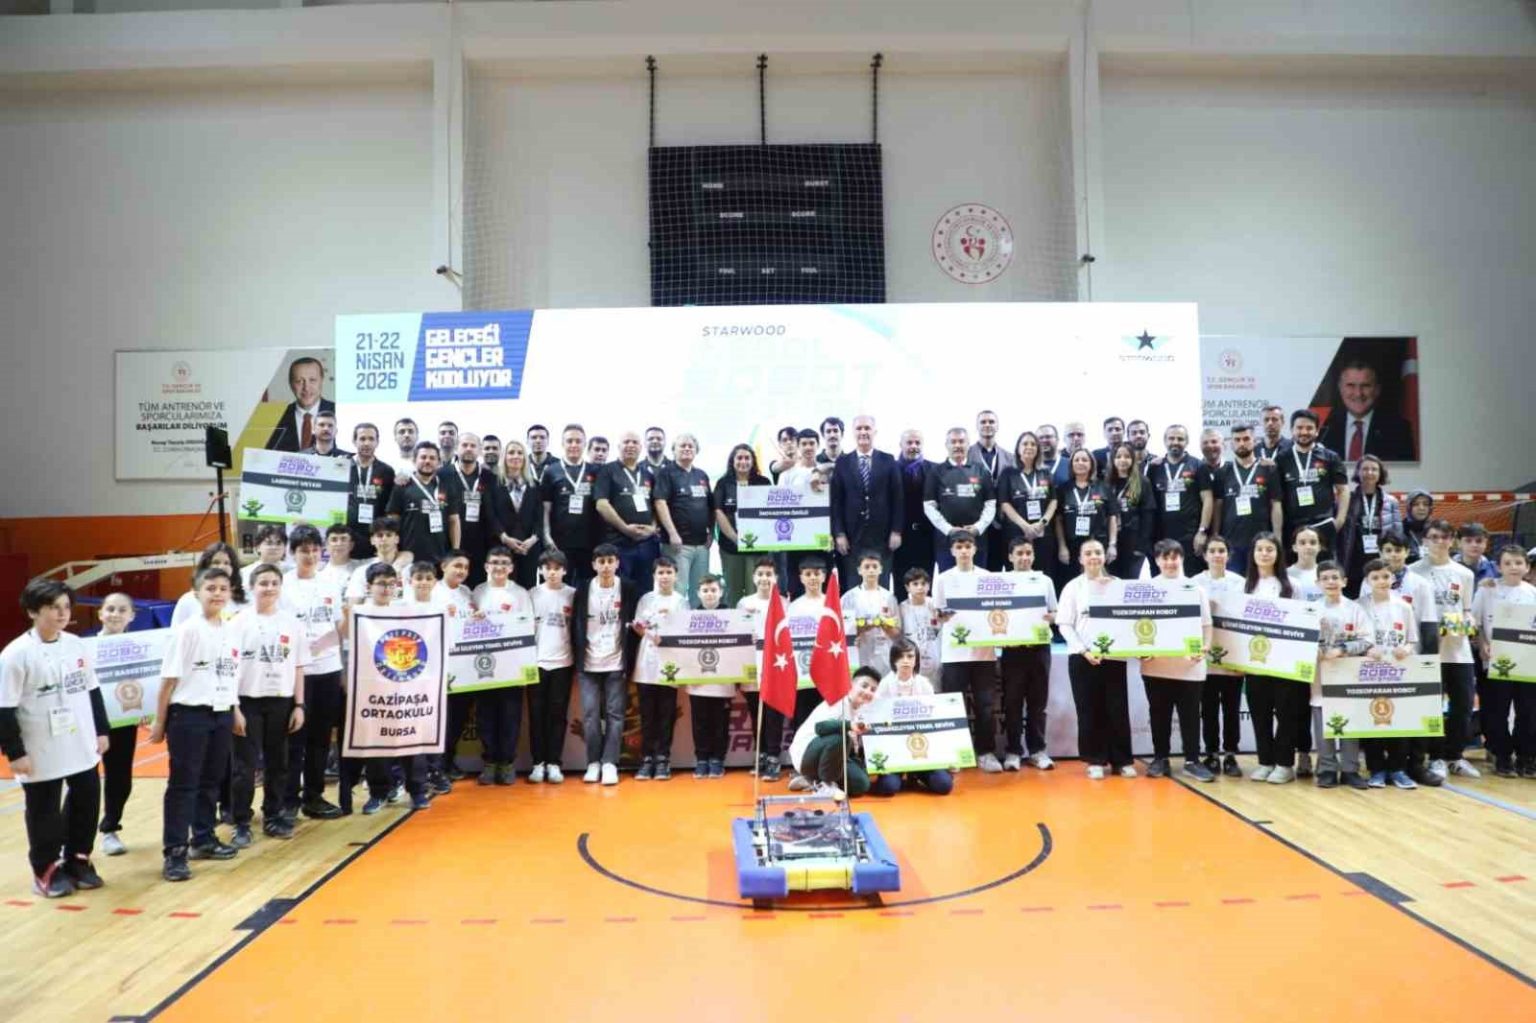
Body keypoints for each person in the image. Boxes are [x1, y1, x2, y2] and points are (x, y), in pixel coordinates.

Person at [2, 580, 109, 898]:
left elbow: (92, 690)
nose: (62, 613)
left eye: (66, 607)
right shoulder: (15, 655)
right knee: (44, 809)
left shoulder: (76, 645)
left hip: (79, 741)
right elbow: (4, 709)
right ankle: (45, 869)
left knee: (87, 798)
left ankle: (78, 859)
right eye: (53, 607)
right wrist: (15, 752)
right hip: (40, 746)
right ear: (33, 612)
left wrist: (101, 729)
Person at [152, 566, 243, 882]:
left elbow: (230, 675)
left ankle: (203, 839)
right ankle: (174, 852)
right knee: (183, 785)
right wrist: (159, 722)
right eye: (211, 588)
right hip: (188, 716)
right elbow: (168, 681)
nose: (217, 593)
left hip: (221, 713)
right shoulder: (187, 631)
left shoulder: (232, 630)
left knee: (211, 781)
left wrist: (235, 711)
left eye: (223, 588)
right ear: (196, 593)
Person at [230, 564, 306, 844]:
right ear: (252, 587)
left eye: (274, 583)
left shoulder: (292, 623)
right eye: (263, 583)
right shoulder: (237, 623)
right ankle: (241, 822)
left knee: (278, 763)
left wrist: (299, 705)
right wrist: (234, 707)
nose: (269, 588)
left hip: (281, 702)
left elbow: (298, 666)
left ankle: (273, 816)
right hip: (247, 701)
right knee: (245, 767)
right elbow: (228, 669)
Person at [280, 525, 348, 821]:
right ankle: (288, 800)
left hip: (328, 669)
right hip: (296, 673)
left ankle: (314, 796)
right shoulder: (283, 585)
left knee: (320, 737)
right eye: (303, 550)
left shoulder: (330, 583)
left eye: (314, 550)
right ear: (292, 553)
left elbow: (340, 626)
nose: (309, 555)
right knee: (294, 738)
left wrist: (326, 646)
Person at [354, 563, 432, 813]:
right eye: (381, 584)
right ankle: (379, 792)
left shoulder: (406, 612)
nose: (386, 589)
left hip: (406, 688)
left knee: (412, 739)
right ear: (369, 586)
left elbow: (428, 636)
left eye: (391, 584)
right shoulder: (360, 614)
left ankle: (417, 791)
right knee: (376, 743)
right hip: (374, 690)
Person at [1139, 540, 1216, 782]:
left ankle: (1192, 760)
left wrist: (1204, 648)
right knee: (1159, 715)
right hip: (1155, 666)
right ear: (1157, 560)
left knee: (1190, 716)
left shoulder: (1195, 589)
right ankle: (1160, 758)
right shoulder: (1146, 589)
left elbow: (1207, 625)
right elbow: (1137, 625)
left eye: (1175, 557)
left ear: (1182, 559)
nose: (1170, 562)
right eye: (1165, 557)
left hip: (1190, 666)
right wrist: (1140, 650)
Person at [1057, 538, 1134, 780]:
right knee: (1089, 709)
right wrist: (1083, 650)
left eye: (1098, 552)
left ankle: (1122, 761)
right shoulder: (1073, 587)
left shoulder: (1118, 585)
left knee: (1117, 708)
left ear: (1105, 556)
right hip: (1083, 658)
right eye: (1088, 553)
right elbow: (1064, 624)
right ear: (1080, 559)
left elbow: (1128, 620)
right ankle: (1095, 760)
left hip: (1114, 656)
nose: (1093, 557)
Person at [1409, 519, 1479, 781]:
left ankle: (1455, 756)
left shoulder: (1464, 574)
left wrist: (1468, 622)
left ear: (1452, 541)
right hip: (1427, 652)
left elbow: (1467, 609)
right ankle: (1436, 757)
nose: (1439, 542)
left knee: (1463, 706)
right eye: (1434, 537)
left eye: (1445, 537)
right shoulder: (1413, 572)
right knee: (1432, 707)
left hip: (1459, 651)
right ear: (1425, 540)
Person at [933, 531, 1004, 773]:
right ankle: (954, 753)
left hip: (983, 653)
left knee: (986, 705)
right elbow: (938, 614)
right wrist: (941, 616)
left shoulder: (988, 577)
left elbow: (997, 610)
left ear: (975, 549)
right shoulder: (943, 579)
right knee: (953, 705)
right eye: (959, 547)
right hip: (954, 653)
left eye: (967, 546)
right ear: (952, 551)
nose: (964, 551)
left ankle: (986, 752)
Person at [1380, 529, 1445, 788]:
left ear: (1407, 552)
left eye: (1398, 550)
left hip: (1413, 658)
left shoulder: (1420, 584)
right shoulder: (1370, 580)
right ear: (1381, 552)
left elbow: (1428, 624)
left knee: (1416, 712)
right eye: (1388, 550)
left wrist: (1428, 662)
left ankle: (1416, 764)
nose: (1393, 555)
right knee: (1385, 713)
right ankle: (1388, 765)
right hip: (1382, 661)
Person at [572, 544, 639, 786]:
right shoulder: (582, 589)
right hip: (589, 662)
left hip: (616, 661)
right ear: (594, 565)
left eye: (611, 561)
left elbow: (635, 623)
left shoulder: (628, 588)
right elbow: (574, 625)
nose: (606, 566)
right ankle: (593, 762)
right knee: (590, 715)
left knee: (615, 715)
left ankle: (610, 763)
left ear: (617, 563)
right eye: (601, 562)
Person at [1242, 533, 1302, 784]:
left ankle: (1285, 764)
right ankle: (1265, 761)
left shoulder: (1292, 586)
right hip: (1255, 662)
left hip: (1285, 663)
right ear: (1253, 553)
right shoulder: (1244, 586)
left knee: (1286, 714)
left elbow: (1301, 623)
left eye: (1270, 549)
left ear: (1278, 554)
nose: (1264, 554)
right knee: (1260, 714)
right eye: (1260, 549)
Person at [1356, 557, 1422, 788]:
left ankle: (1398, 769)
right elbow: (1353, 639)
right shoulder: (1359, 606)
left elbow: (1412, 640)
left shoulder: (1403, 606)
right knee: (1372, 718)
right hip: (1369, 671)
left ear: (1392, 578)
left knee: (1398, 719)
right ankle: (1376, 769)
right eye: (1375, 577)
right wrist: (1366, 649)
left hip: (1398, 671)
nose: (1381, 581)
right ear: (1367, 581)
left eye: (1385, 576)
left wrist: (1406, 649)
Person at [472, 546, 533, 786]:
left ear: (511, 568)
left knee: (510, 716)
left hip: (512, 665)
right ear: (486, 566)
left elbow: (528, 626)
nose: (499, 567)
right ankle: (489, 763)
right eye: (494, 562)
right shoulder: (477, 591)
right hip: (483, 665)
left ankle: (507, 763)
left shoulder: (520, 593)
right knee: (485, 715)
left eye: (504, 563)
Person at [1472, 546, 1536, 777]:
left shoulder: (1532, 593)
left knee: (1528, 711)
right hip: (1496, 661)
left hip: (1528, 663)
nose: (1513, 567)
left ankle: (1527, 756)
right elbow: (1476, 623)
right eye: (1507, 563)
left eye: (1518, 563)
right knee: (1496, 711)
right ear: (1498, 567)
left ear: (1527, 567)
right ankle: (1502, 756)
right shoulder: (1486, 590)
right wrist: (1482, 644)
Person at [1311, 561, 1372, 789]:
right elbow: (1301, 639)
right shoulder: (1311, 610)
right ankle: (1327, 768)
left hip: (1348, 673)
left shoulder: (1355, 609)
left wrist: (1342, 649)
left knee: (1350, 722)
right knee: (1322, 721)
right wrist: (1314, 649)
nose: (1330, 582)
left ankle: (1350, 769)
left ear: (1344, 582)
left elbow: (1367, 639)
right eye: (1325, 578)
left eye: (1335, 577)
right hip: (1320, 674)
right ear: (1317, 583)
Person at [998, 537, 1056, 771]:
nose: (1024, 557)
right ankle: (1013, 751)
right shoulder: (1001, 582)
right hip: (1013, 649)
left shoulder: (1044, 581)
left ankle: (1037, 750)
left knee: (1037, 703)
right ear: (1010, 557)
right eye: (1019, 553)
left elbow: (1054, 611)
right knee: (1012, 703)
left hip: (1039, 648)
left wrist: (1051, 617)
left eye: (1028, 553)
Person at [870, 638, 955, 796]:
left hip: (922, 747)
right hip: (894, 749)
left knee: (944, 785)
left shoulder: (924, 684)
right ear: (893, 660)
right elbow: (876, 721)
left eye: (910, 656)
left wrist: (947, 756)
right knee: (888, 787)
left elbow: (935, 721)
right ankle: (902, 775)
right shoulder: (885, 685)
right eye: (900, 656)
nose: (905, 661)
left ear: (916, 660)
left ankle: (917, 774)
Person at [830, 414, 903, 590]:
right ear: (853, 433)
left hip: (883, 537)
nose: (863, 432)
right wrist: (839, 533)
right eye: (859, 428)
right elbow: (836, 501)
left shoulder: (888, 460)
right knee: (853, 586)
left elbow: (898, 498)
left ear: (875, 431)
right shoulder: (843, 462)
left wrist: (896, 531)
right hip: (852, 538)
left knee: (881, 585)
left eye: (867, 428)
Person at [93, 593, 141, 857]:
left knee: (120, 778)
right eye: (110, 608)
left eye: (122, 610)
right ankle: (73, 838)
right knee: (85, 782)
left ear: (132, 615)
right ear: (100, 613)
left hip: (122, 722)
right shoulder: (85, 648)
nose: (115, 614)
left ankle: (110, 829)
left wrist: (146, 709)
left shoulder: (139, 647)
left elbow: (145, 684)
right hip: (89, 723)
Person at [784, 557, 839, 786]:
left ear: (824, 576)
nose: (813, 578)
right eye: (808, 574)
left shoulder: (833, 603)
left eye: (817, 573)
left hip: (828, 676)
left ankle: (825, 769)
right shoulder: (794, 607)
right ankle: (801, 768)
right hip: (803, 676)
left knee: (827, 720)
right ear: (801, 578)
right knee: (802, 721)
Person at [1192, 536, 1244, 777]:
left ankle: (1231, 754)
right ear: (1205, 555)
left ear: (1228, 555)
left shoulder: (1240, 583)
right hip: (1206, 657)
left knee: (1232, 709)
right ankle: (1211, 753)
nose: (1217, 555)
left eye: (1221, 550)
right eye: (1212, 551)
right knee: (1209, 709)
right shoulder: (1195, 583)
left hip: (1233, 657)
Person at [788, 667, 882, 799]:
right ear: (851, 684)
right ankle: (826, 784)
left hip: (835, 757)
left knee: (861, 784)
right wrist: (849, 725)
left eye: (873, 689)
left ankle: (811, 780)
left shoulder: (864, 710)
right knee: (841, 736)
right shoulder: (837, 701)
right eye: (864, 686)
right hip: (806, 754)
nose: (868, 692)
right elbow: (820, 728)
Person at [527, 549, 576, 784]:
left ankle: (554, 763)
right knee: (536, 715)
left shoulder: (573, 594)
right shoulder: (531, 594)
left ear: (564, 570)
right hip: (536, 663)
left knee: (558, 715)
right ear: (540, 570)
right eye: (548, 568)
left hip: (563, 663)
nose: (552, 572)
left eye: (557, 568)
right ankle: (538, 763)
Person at [1275, 410, 1350, 562]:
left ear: (1317, 431)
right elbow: (1277, 498)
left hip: (1323, 525)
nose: (1304, 432)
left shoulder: (1330, 457)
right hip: (1292, 527)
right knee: (1294, 571)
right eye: (1299, 428)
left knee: (1325, 570)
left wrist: (1339, 520)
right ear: (1292, 430)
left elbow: (1343, 490)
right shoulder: (1282, 458)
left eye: (1309, 428)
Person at [1210, 422, 1284, 576]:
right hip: (1231, 541)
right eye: (1237, 440)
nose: (1241, 443)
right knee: (1234, 584)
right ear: (1231, 443)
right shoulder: (1222, 472)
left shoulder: (1268, 468)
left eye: (1246, 439)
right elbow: (1218, 507)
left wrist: (1277, 537)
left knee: (1260, 584)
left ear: (1255, 441)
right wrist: (1216, 535)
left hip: (1261, 541)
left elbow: (1276, 504)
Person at [594, 431, 660, 595]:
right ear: (618, 447)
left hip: (646, 544)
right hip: (618, 543)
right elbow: (601, 504)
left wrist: (653, 528)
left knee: (646, 591)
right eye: (626, 442)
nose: (630, 445)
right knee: (620, 591)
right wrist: (625, 528)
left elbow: (656, 505)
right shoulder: (607, 471)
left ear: (641, 447)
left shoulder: (647, 474)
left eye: (635, 442)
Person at [738, 557, 785, 780]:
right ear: (753, 577)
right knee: (756, 713)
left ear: (776, 578)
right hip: (752, 665)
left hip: (777, 667)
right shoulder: (744, 603)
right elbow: (737, 633)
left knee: (774, 715)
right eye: (761, 574)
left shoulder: (784, 603)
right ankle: (761, 755)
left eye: (769, 574)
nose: (765, 578)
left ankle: (774, 757)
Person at [654, 433, 714, 607]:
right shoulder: (666, 473)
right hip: (678, 545)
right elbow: (660, 503)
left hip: (701, 545)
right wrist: (672, 533)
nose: (687, 449)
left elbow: (710, 506)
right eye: (682, 446)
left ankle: (696, 624)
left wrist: (711, 532)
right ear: (673, 450)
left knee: (701, 591)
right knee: (677, 591)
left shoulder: (701, 475)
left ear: (696, 450)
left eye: (690, 446)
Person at [925, 428, 996, 572]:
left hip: (976, 540)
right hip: (946, 541)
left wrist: (978, 528)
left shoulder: (981, 470)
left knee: (977, 582)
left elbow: (990, 504)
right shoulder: (936, 472)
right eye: (953, 442)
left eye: (961, 441)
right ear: (946, 445)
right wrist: (949, 529)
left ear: (968, 444)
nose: (957, 445)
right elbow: (929, 506)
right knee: (950, 582)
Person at [1317, 359, 1417, 462]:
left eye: (1365, 386)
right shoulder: (1324, 428)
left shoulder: (1398, 429)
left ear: (1377, 389)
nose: (1358, 394)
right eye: (1351, 385)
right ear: (1340, 388)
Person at [1146, 424, 1213, 576]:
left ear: (1187, 442)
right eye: (1171, 438)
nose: (1175, 442)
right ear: (1165, 441)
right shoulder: (1155, 467)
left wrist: (1202, 531)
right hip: (1161, 536)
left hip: (1190, 536)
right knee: (1162, 581)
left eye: (1180, 439)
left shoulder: (1198, 465)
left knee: (1190, 581)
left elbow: (1208, 499)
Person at [687, 575, 735, 779]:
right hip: (697, 680)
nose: (709, 594)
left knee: (720, 721)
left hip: (723, 680)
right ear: (698, 593)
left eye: (713, 590)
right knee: (699, 721)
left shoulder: (732, 616)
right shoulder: (689, 617)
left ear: (721, 592)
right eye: (705, 590)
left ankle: (717, 759)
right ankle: (701, 759)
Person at [384, 441, 461, 565]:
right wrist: (393, 550)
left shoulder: (446, 487)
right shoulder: (402, 486)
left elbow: (454, 521)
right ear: (414, 461)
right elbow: (392, 521)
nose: (427, 461)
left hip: (441, 557)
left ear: (439, 462)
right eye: (423, 457)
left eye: (432, 458)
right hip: (408, 557)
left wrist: (455, 551)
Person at [542, 424, 599, 590]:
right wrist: (547, 535)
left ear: (585, 444)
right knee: (560, 587)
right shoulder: (551, 471)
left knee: (586, 587)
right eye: (569, 441)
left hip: (589, 540)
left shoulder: (595, 471)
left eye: (578, 441)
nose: (574, 445)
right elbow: (546, 508)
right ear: (563, 444)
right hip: (560, 541)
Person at [714, 443, 771, 605]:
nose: (743, 461)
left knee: (755, 590)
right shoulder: (723, 483)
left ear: (753, 461)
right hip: (731, 547)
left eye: (747, 458)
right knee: (733, 591)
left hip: (757, 547)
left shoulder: (763, 482)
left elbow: (770, 512)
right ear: (732, 461)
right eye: (739, 458)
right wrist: (735, 538)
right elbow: (718, 512)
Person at [1338, 454, 1400, 596]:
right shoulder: (1348, 499)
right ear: (1358, 472)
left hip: (1381, 563)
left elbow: (1397, 535)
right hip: (1353, 563)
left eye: (1374, 469)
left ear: (1380, 473)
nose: (1369, 473)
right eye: (1365, 469)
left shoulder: (1391, 501)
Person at [1054, 448, 1117, 584]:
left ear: (1091, 464)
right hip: (1072, 546)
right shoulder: (1063, 489)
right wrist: (1062, 546)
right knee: (1074, 583)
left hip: (1098, 544)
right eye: (1076, 460)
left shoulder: (1103, 487)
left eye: (1084, 460)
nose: (1080, 463)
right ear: (1071, 464)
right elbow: (1058, 520)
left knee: (1099, 582)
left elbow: (1112, 517)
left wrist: (1112, 544)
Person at [997, 431, 1057, 570]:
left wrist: (1042, 523)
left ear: (1038, 449)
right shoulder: (1008, 472)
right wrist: (1025, 526)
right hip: (1016, 531)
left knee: (1043, 571)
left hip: (1042, 531)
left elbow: (1053, 500)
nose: (1029, 447)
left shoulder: (1045, 472)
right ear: (1018, 449)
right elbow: (1005, 503)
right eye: (1025, 444)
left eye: (1033, 444)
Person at [490, 441, 543, 591]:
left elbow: (539, 517)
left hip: (529, 547)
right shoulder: (494, 483)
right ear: (504, 457)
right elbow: (491, 515)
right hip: (502, 546)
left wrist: (533, 539)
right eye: (511, 452)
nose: (516, 456)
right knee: (503, 589)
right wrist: (505, 538)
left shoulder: (534, 485)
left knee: (527, 589)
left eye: (520, 453)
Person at [444, 433, 493, 588]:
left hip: (480, 543)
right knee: (450, 587)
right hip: (449, 541)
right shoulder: (443, 474)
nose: (469, 449)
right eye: (464, 445)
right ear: (456, 448)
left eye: (473, 446)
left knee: (476, 587)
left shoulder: (489, 476)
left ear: (479, 450)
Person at [969, 409, 1015, 566]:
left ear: (997, 426)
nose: (987, 425)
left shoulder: (1010, 458)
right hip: (977, 521)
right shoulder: (966, 455)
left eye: (991, 422)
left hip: (1003, 522)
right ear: (977, 426)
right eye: (983, 422)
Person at [263, 356, 335, 452]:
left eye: (312, 380)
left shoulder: (341, 413)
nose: (306, 388)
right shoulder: (276, 417)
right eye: (299, 381)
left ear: (321, 380)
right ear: (291, 384)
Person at [846, 550, 900, 676]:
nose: (871, 570)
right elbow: (844, 632)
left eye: (875, 567)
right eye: (867, 567)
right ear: (859, 570)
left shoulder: (889, 597)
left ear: (881, 569)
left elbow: (897, 633)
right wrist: (865, 626)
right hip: (859, 652)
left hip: (884, 652)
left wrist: (885, 625)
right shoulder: (849, 598)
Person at [893, 429, 935, 589]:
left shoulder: (934, 469)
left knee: (925, 584)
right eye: (909, 443)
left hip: (927, 537)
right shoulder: (891, 469)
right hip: (899, 536)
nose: (913, 446)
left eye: (917, 443)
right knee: (900, 584)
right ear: (901, 445)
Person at [347, 423, 396, 559]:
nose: (367, 443)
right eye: (362, 439)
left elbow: (389, 508)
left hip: (375, 538)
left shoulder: (386, 471)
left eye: (371, 439)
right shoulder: (341, 466)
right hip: (346, 536)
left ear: (377, 442)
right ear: (354, 441)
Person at [1106, 442, 1153, 580]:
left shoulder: (1142, 482)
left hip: (1133, 540)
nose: (1123, 460)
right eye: (1118, 456)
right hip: (1112, 540)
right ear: (1113, 460)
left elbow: (1148, 515)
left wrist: (1141, 546)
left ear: (1133, 459)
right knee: (1111, 580)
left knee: (1130, 581)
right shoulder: (1106, 482)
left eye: (1127, 456)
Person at [173, 543, 248, 626]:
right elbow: (175, 632)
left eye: (227, 563)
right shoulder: (188, 600)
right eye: (216, 562)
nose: (222, 567)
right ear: (205, 566)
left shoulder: (247, 598)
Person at [238, 526, 289, 598]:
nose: (274, 547)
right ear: (258, 547)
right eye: (269, 543)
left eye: (278, 543)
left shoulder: (292, 571)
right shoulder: (244, 573)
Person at [1402, 489, 1434, 563]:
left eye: (1425, 504)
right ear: (1409, 508)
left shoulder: (1437, 530)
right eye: (1416, 504)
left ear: (1430, 508)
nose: (1421, 508)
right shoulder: (1399, 530)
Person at [1090, 416, 1125, 480]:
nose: (1114, 433)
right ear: (1104, 433)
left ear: (1124, 432)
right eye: (1110, 430)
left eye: (1117, 429)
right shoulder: (1096, 455)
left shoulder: (1132, 453)